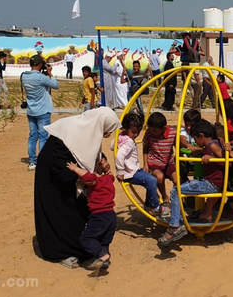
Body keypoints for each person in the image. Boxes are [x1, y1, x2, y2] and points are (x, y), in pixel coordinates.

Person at [34, 107, 120, 269]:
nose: (107, 135)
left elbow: (87, 151)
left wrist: (101, 161)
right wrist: (82, 175)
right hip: (54, 175)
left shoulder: (89, 128)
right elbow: (65, 159)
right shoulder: (72, 128)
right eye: (107, 130)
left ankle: (83, 249)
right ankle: (61, 253)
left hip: (72, 175)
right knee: (60, 212)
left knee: (79, 212)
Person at [158, 119, 224, 247]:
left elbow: (226, 162)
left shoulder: (213, 146)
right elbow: (205, 150)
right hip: (212, 182)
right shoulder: (212, 144)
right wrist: (199, 151)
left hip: (211, 184)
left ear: (201, 136)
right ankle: (179, 221)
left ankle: (174, 226)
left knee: (176, 191)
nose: (195, 142)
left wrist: (211, 158)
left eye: (195, 139)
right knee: (182, 189)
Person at [64, 159, 116, 271]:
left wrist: (75, 168)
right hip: (111, 215)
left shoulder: (95, 180)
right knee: (104, 241)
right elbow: (111, 176)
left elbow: (87, 177)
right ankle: (104, 262)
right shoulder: (108, 179)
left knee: (86, 238)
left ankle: (102, 255)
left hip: (99, 215)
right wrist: (107, 169)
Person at [116, 113, 164, 217]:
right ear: (126, 128)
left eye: (138, 132)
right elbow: (119, 156)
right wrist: (120, 172)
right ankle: (154, 206)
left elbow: (113, 146)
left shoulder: (122, 138)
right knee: (152, 180)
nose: (136, 135)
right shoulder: (128, 142)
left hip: (133, 170)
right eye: (133, 132)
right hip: (130, 174)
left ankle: (148, 205)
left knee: (150, 180)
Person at [22, 55, 59, 171]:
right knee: (43, 137)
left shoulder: (24, 76)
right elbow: (56, 85)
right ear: (39, 65)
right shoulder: (41, 77)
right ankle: (43, 161)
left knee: (32, 137)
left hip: (31, 110)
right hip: (43, 110)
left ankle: (32, 161)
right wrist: (50, 73)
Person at [143, 112, 178, 203]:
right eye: (151, 129)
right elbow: (145, 148)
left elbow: (178, 147)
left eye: (155, 131)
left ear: (164, 128)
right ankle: (164, 196)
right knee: (159, 177)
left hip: (169, 162)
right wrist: (145, 164)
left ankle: (175, 198)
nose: (152, 132)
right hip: (154, 162)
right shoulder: (149, 133)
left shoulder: (172, 133)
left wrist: (177, 160)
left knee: (177, 180)